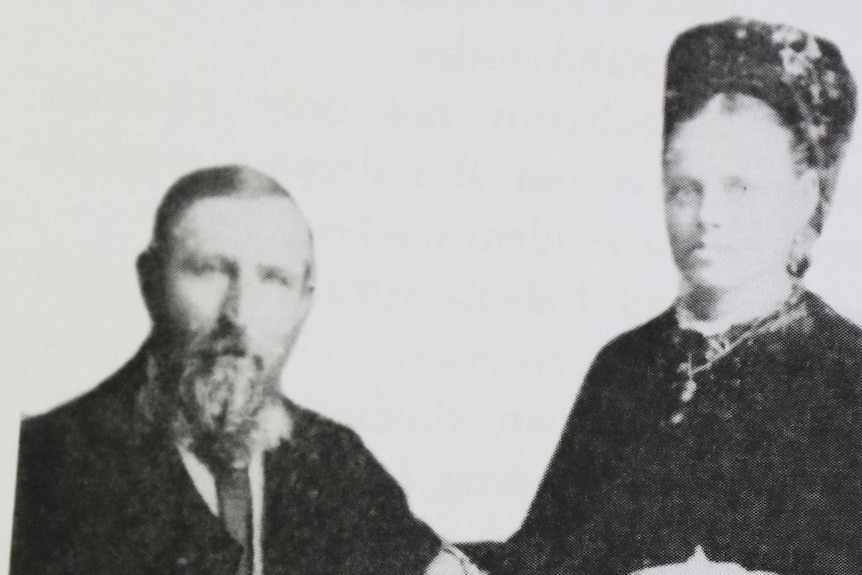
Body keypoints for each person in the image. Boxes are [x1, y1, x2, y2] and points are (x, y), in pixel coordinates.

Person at [487, 17, 862, 575]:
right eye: (686, 189)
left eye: (740, 188)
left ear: (804, 196)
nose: (708, 218)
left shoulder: (848, 373)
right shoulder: (624, 365)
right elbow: (544, 557)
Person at [10, 165, 482, 575]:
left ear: (303, 300)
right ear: (151, 281)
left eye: (274, 279)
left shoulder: (336, 461)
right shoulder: (42, 466)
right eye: (210, 269)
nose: (239, 312)